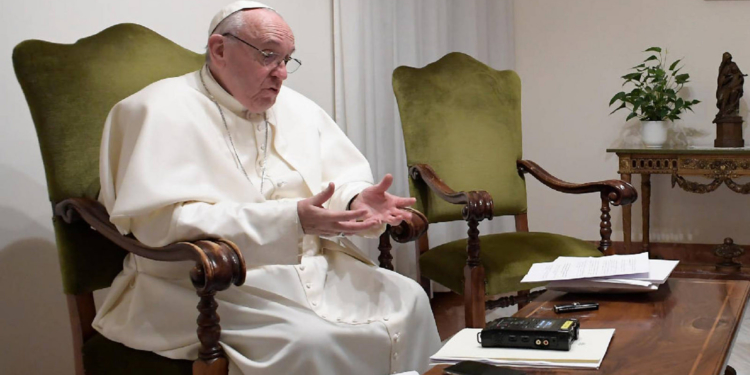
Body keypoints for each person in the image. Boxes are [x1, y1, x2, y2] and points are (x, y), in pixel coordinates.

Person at [92, 2, 441, 374]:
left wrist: (355, 199)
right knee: (311, 340)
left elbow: (333, 180)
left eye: (288, 59)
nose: (282, 74)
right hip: (211, 283)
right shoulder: (156, 109)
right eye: (269, 56)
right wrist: (292, 221)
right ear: (219, 49)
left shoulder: (298, 109)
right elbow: (161, 224)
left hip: (314, 267)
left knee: (411, 298)